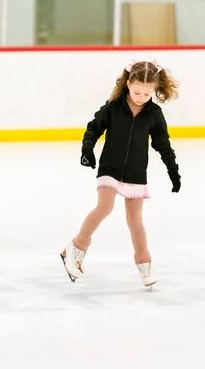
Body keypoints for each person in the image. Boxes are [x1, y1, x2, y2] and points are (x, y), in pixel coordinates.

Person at [60, 59, 181, 288]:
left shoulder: (154, 114)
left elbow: (163, 144)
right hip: (110, 167)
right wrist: (87, 150)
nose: (141, 97)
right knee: (105, 207)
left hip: (136, 172)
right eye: (137, 92)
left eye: (147, 94)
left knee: (135, 220)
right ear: (127, 84)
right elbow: (93, 128)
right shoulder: (113, 107)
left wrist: (173, 170)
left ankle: (144, 265)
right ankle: (76, 248)